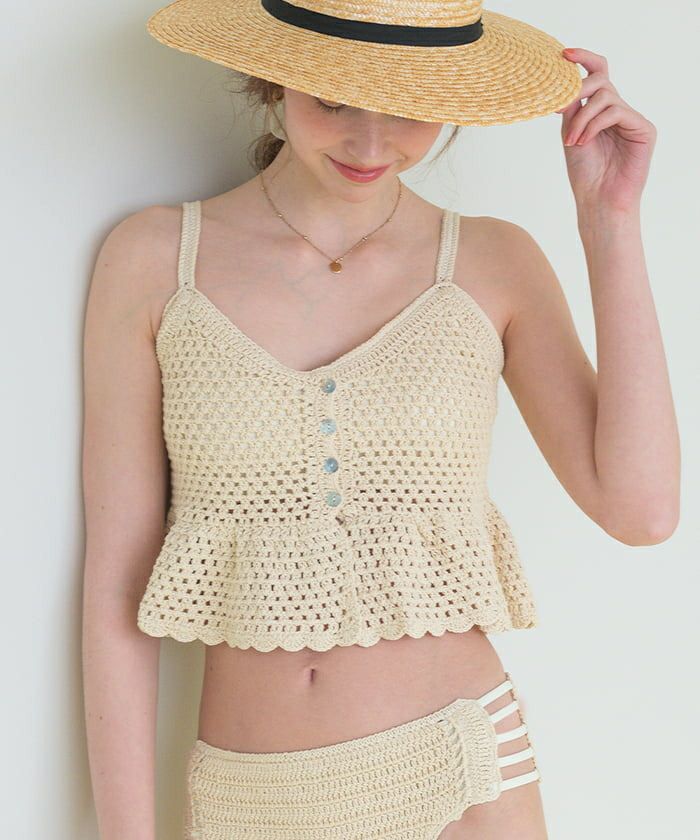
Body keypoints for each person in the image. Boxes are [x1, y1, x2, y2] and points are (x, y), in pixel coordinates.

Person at [81, 1, 677, 838]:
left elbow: (642, 511)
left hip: (461, 768)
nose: (370, 144)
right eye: (334, 100)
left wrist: (608, 220)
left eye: (408, 107)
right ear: (276, 77)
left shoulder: (493, 263)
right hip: (250, 797)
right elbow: (117, 585)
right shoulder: (153, 260)